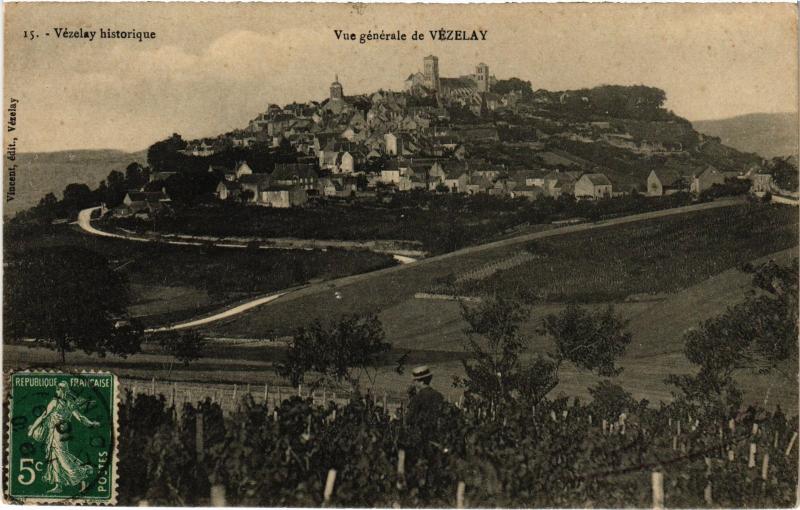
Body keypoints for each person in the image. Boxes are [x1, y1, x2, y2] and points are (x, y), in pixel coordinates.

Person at [27, 381, 100, 493]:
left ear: (65, 391)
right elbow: (44, 416)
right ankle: (58, 485)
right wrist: (91, 423)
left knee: (62, 456)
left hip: (60, 432)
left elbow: (79, 417)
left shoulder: (57, 403)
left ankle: (82, 474)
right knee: (53, 457)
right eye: (58, 389)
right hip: (55, 432)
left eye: (61, 389)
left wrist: (91, 423)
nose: (59, 391)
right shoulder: (65, 402)